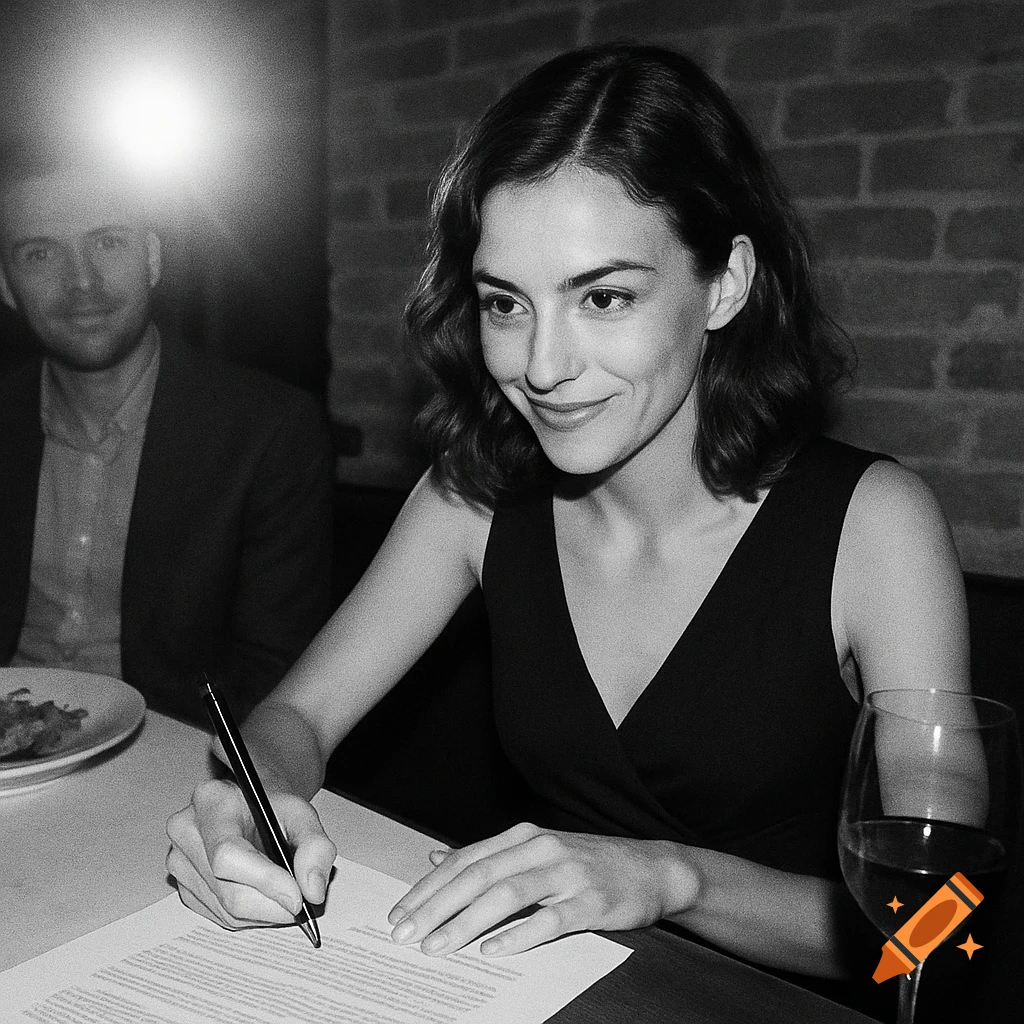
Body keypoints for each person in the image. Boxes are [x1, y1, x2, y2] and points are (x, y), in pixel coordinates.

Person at [165, 42, 968, 1002]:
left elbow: (947, 921)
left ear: (726, 284)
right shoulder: (473, 498)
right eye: (506, 303)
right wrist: (259, 807)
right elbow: (295, 715)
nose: (542, 366)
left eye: (604, 296)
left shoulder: (875, 527)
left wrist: (675, 878)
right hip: (536, 992)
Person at [0, 135, 334, 724]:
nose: (82, 282)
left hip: (169, 760)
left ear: (152, 258)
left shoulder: (269, 430)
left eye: (108, 242)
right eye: (41, 254)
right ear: (6, 286)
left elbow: (276, 672)